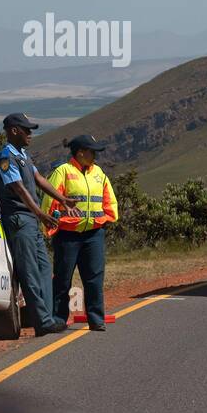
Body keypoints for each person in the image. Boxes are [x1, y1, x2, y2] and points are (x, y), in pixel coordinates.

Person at [0, 112, 78, 335]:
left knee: (44, 268)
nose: (31, 134)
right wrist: (40, 213)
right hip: (21, 219)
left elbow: (39, 179)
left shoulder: (22, 154)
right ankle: (42, 322)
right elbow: (19, 188)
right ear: (14, 131)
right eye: (26, 130)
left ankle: (48, 317)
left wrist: (63, 199)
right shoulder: (6, 157)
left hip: (31, 220)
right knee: (29, 271)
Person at [42, 135, 118, 331]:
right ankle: (58, 319)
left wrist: (105, 221)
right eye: (92, 152)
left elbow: (110, 201)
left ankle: (96, 319)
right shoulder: (63, 172)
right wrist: (51, 227)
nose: (95, 156)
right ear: (80, 152)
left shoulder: (99, 174)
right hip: (67, 235)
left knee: (94, 277)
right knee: (62, 278)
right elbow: (49, 203)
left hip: (94, 234)